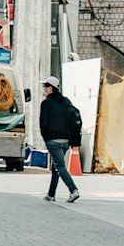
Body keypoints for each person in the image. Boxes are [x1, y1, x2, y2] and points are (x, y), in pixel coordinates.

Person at [40, 76, 81, 204]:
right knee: (56, 166)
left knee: (60, 167)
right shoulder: (66, 102)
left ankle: (73, 190)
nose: (44, 89)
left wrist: (46, 138)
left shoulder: (46, 103)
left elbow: (43, 123)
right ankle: (51, 194)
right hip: (65, 141)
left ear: (51, 88)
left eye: (46, 86)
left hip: (53, 140)